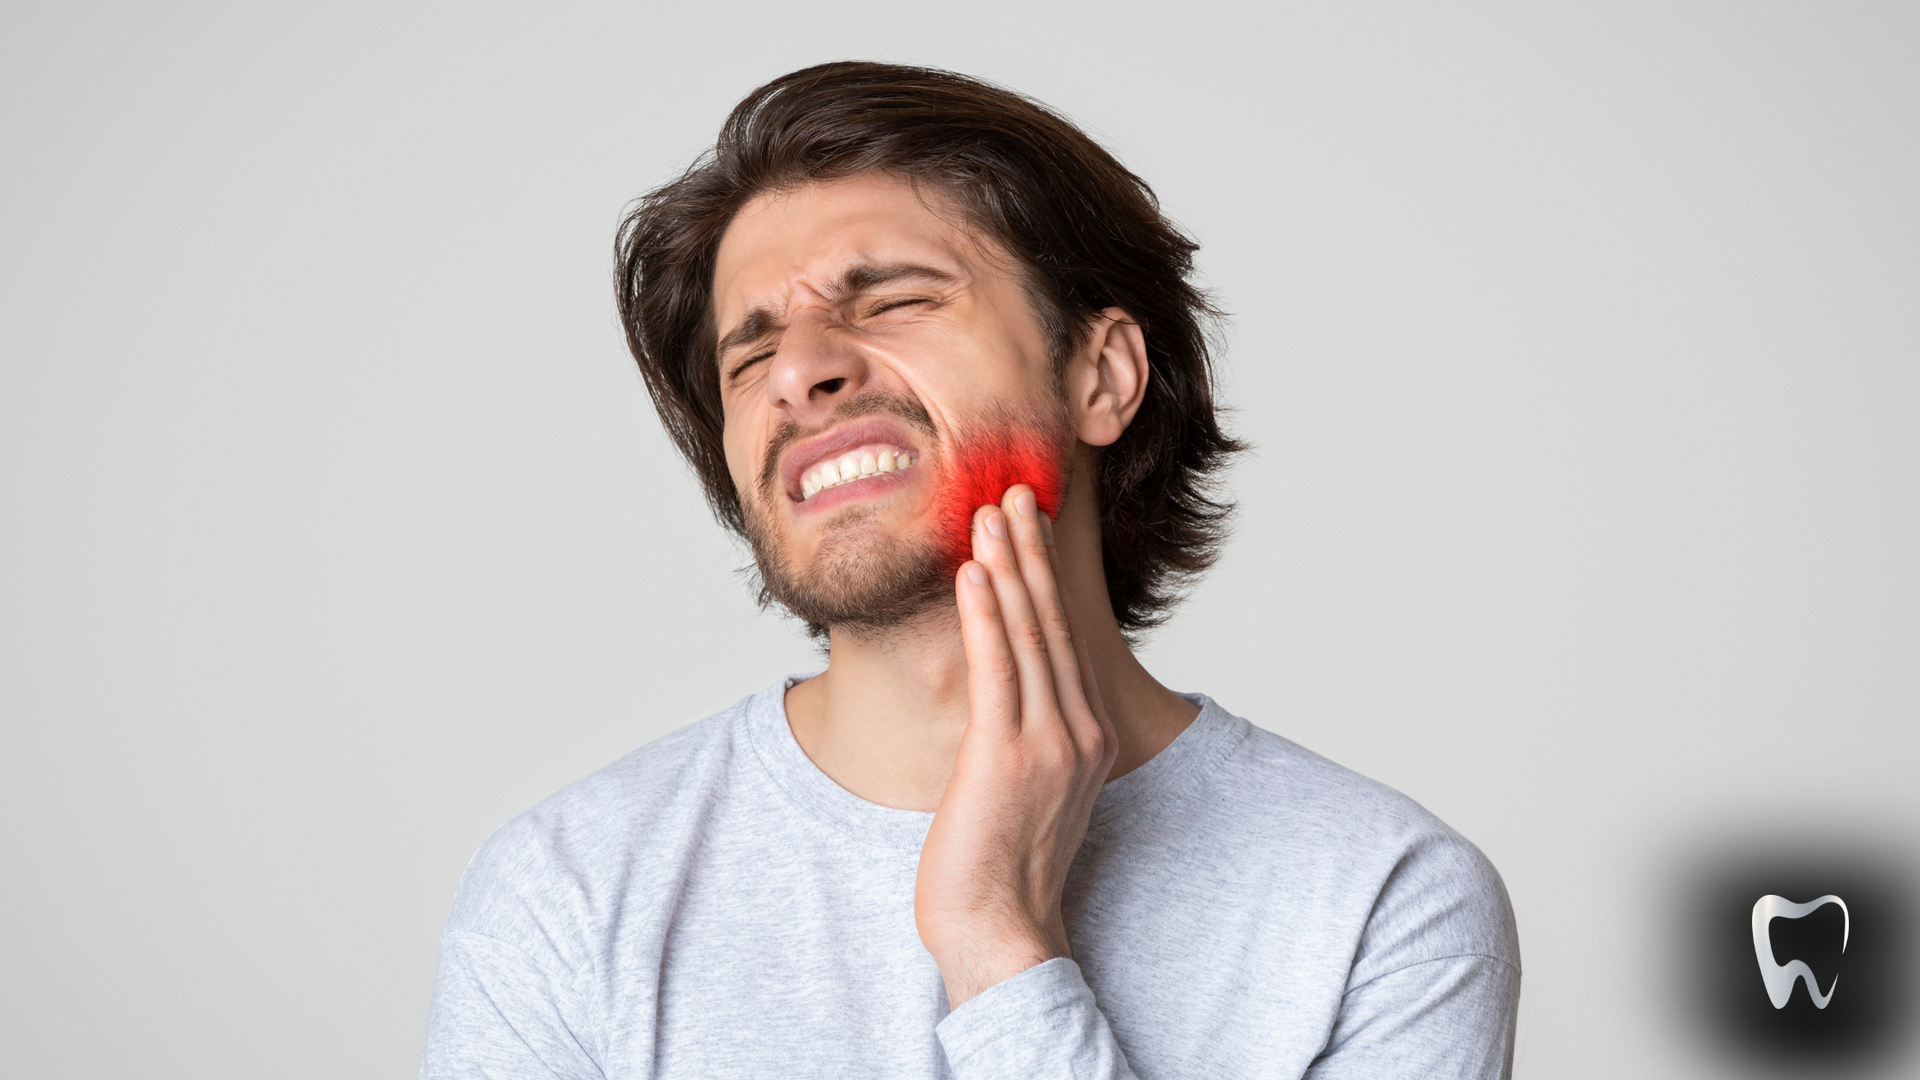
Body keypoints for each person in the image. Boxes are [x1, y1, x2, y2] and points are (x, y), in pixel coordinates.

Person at [420, 61, 1520, 1079]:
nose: (799, 371)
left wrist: (999, 945)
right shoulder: (564, 892)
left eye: (893, 299)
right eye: (749, 353)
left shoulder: (1380, 900)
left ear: (1103, 376)